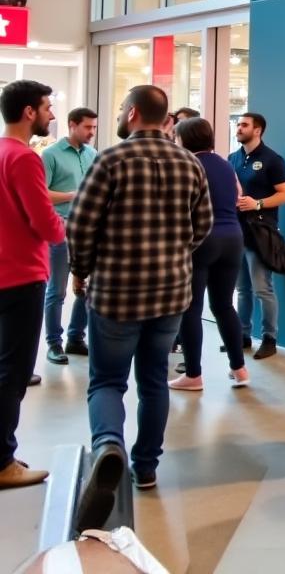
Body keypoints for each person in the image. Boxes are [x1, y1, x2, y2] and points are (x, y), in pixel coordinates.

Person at [67, 84, 211, 525]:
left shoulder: (109, 159)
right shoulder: (190, 163)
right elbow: (201, 226)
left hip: (115, 293)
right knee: (153, 381)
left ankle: (109, 445)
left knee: (107, 381)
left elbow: (80, 224)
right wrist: (170, 253)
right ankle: (145, 467)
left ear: (131, 114)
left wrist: (81, 269)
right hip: (170, 294)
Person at [0, 80, 65, 490]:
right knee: (14, 371)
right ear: (29, 112)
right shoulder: (24, 159)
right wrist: (65, 228)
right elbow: (45, 223)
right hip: (21, 275)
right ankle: (3, 461)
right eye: (46, 107)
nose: (51, 115)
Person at [169, 117, 249, 392]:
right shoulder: (226, 165)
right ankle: (239, 368)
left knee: (190, 308)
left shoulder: (188, 164)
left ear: (185, 139)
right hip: (233, 238)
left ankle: (193, 374)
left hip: (203, 239)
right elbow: (238, 196)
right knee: (224, 305)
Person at [229, 112, 285, 360]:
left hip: (261, 232)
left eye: (244, 125)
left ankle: (269, 338)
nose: (239, 128)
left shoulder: (272, 160)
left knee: (262, 288)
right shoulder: (232, 158)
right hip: (237, 232)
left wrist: (257, 204)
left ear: (258, 130)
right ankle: (243, 336)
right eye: (238, 124)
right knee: (242, 290)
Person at [42, 107, 98, 365]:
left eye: (94, 128)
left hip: (87, 228)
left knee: (85, 287)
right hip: (60, 228)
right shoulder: (50, 154)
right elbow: (42, 193)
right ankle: (54, 343)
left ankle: (76, 338)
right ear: (72, 125)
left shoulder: (93, 155)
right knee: (57, 290)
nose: (91, 133)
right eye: (87, 127)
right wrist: (72, 195)